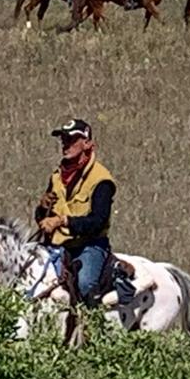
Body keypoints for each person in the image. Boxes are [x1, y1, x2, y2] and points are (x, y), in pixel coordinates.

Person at [36, 118, 131, 309]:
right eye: (64, 140)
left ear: (87, 144)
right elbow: (44, 219)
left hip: (90, 245)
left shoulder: (101, 180)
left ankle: (93, 328)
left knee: (85, 284)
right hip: (58, 244)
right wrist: (41, 209)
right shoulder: (56, 176)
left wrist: (62, 221)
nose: (65, 144)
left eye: (71, 140)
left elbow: (98, 220)